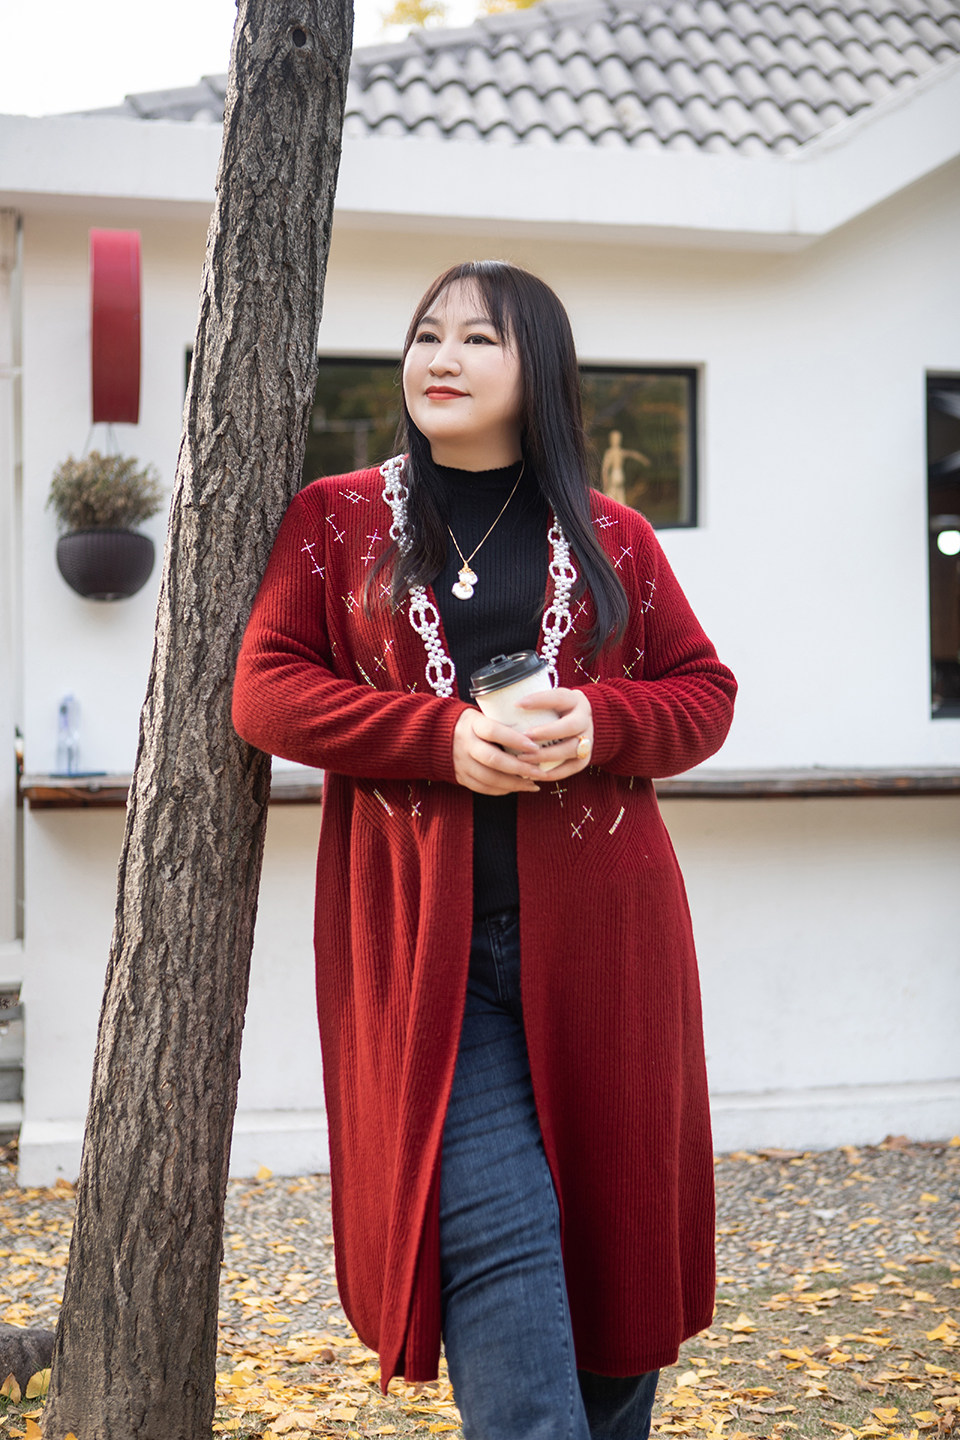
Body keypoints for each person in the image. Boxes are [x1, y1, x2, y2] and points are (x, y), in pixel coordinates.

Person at [232, 260, 737, 1440]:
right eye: (426, 334)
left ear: (537, 371)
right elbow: (265, 691)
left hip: (611, 950)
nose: (441, 358)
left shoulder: (612, 534)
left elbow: (704, 694)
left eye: (477, 339)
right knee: (504, 1271)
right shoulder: (336, 519)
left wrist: (602, 724)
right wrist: (439, 739)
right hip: (430, 961)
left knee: (615, 1286)